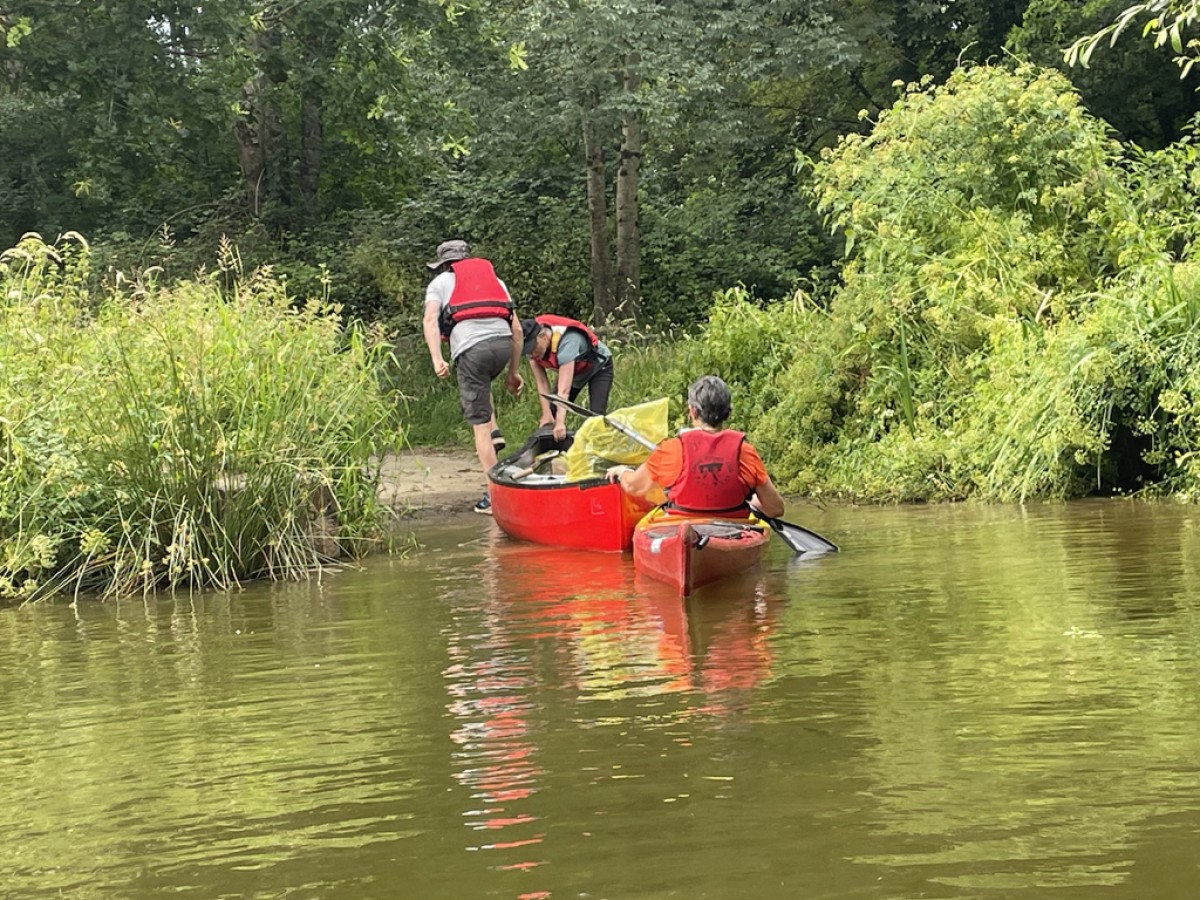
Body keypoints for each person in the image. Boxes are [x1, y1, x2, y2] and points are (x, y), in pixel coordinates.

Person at [422, 238, 525, 514]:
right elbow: (516, 330)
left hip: (472, 350)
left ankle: (495, 496)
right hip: (502, 346)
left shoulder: (440, 283)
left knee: (477, 422)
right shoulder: (497, 281)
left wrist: (436, 358)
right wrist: (513, 373)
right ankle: (495, 430)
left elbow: (430, 320)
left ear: (444, 264)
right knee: (483, 384)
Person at [605, 375, 785, 519]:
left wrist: (623, 472)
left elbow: (634, 487)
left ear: (692, 411)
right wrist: (753, 503)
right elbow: (775, 508)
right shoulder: (745, 452)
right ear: (728, 413)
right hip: (732, 529)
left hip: (681, 525)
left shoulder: (669, 450)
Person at [520, 314, 614, 441]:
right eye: (527, 350)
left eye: (533, 348)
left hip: (599, 367)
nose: (532, 353)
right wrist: (547, 413)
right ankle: (554, 450)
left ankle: (600, 448)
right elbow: (541, 382)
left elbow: (564, 391)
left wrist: (560, 423)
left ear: (544, 337)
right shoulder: (531, 348)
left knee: (595, 418)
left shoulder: (567, 341)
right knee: (551, 413)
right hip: (575, 371)